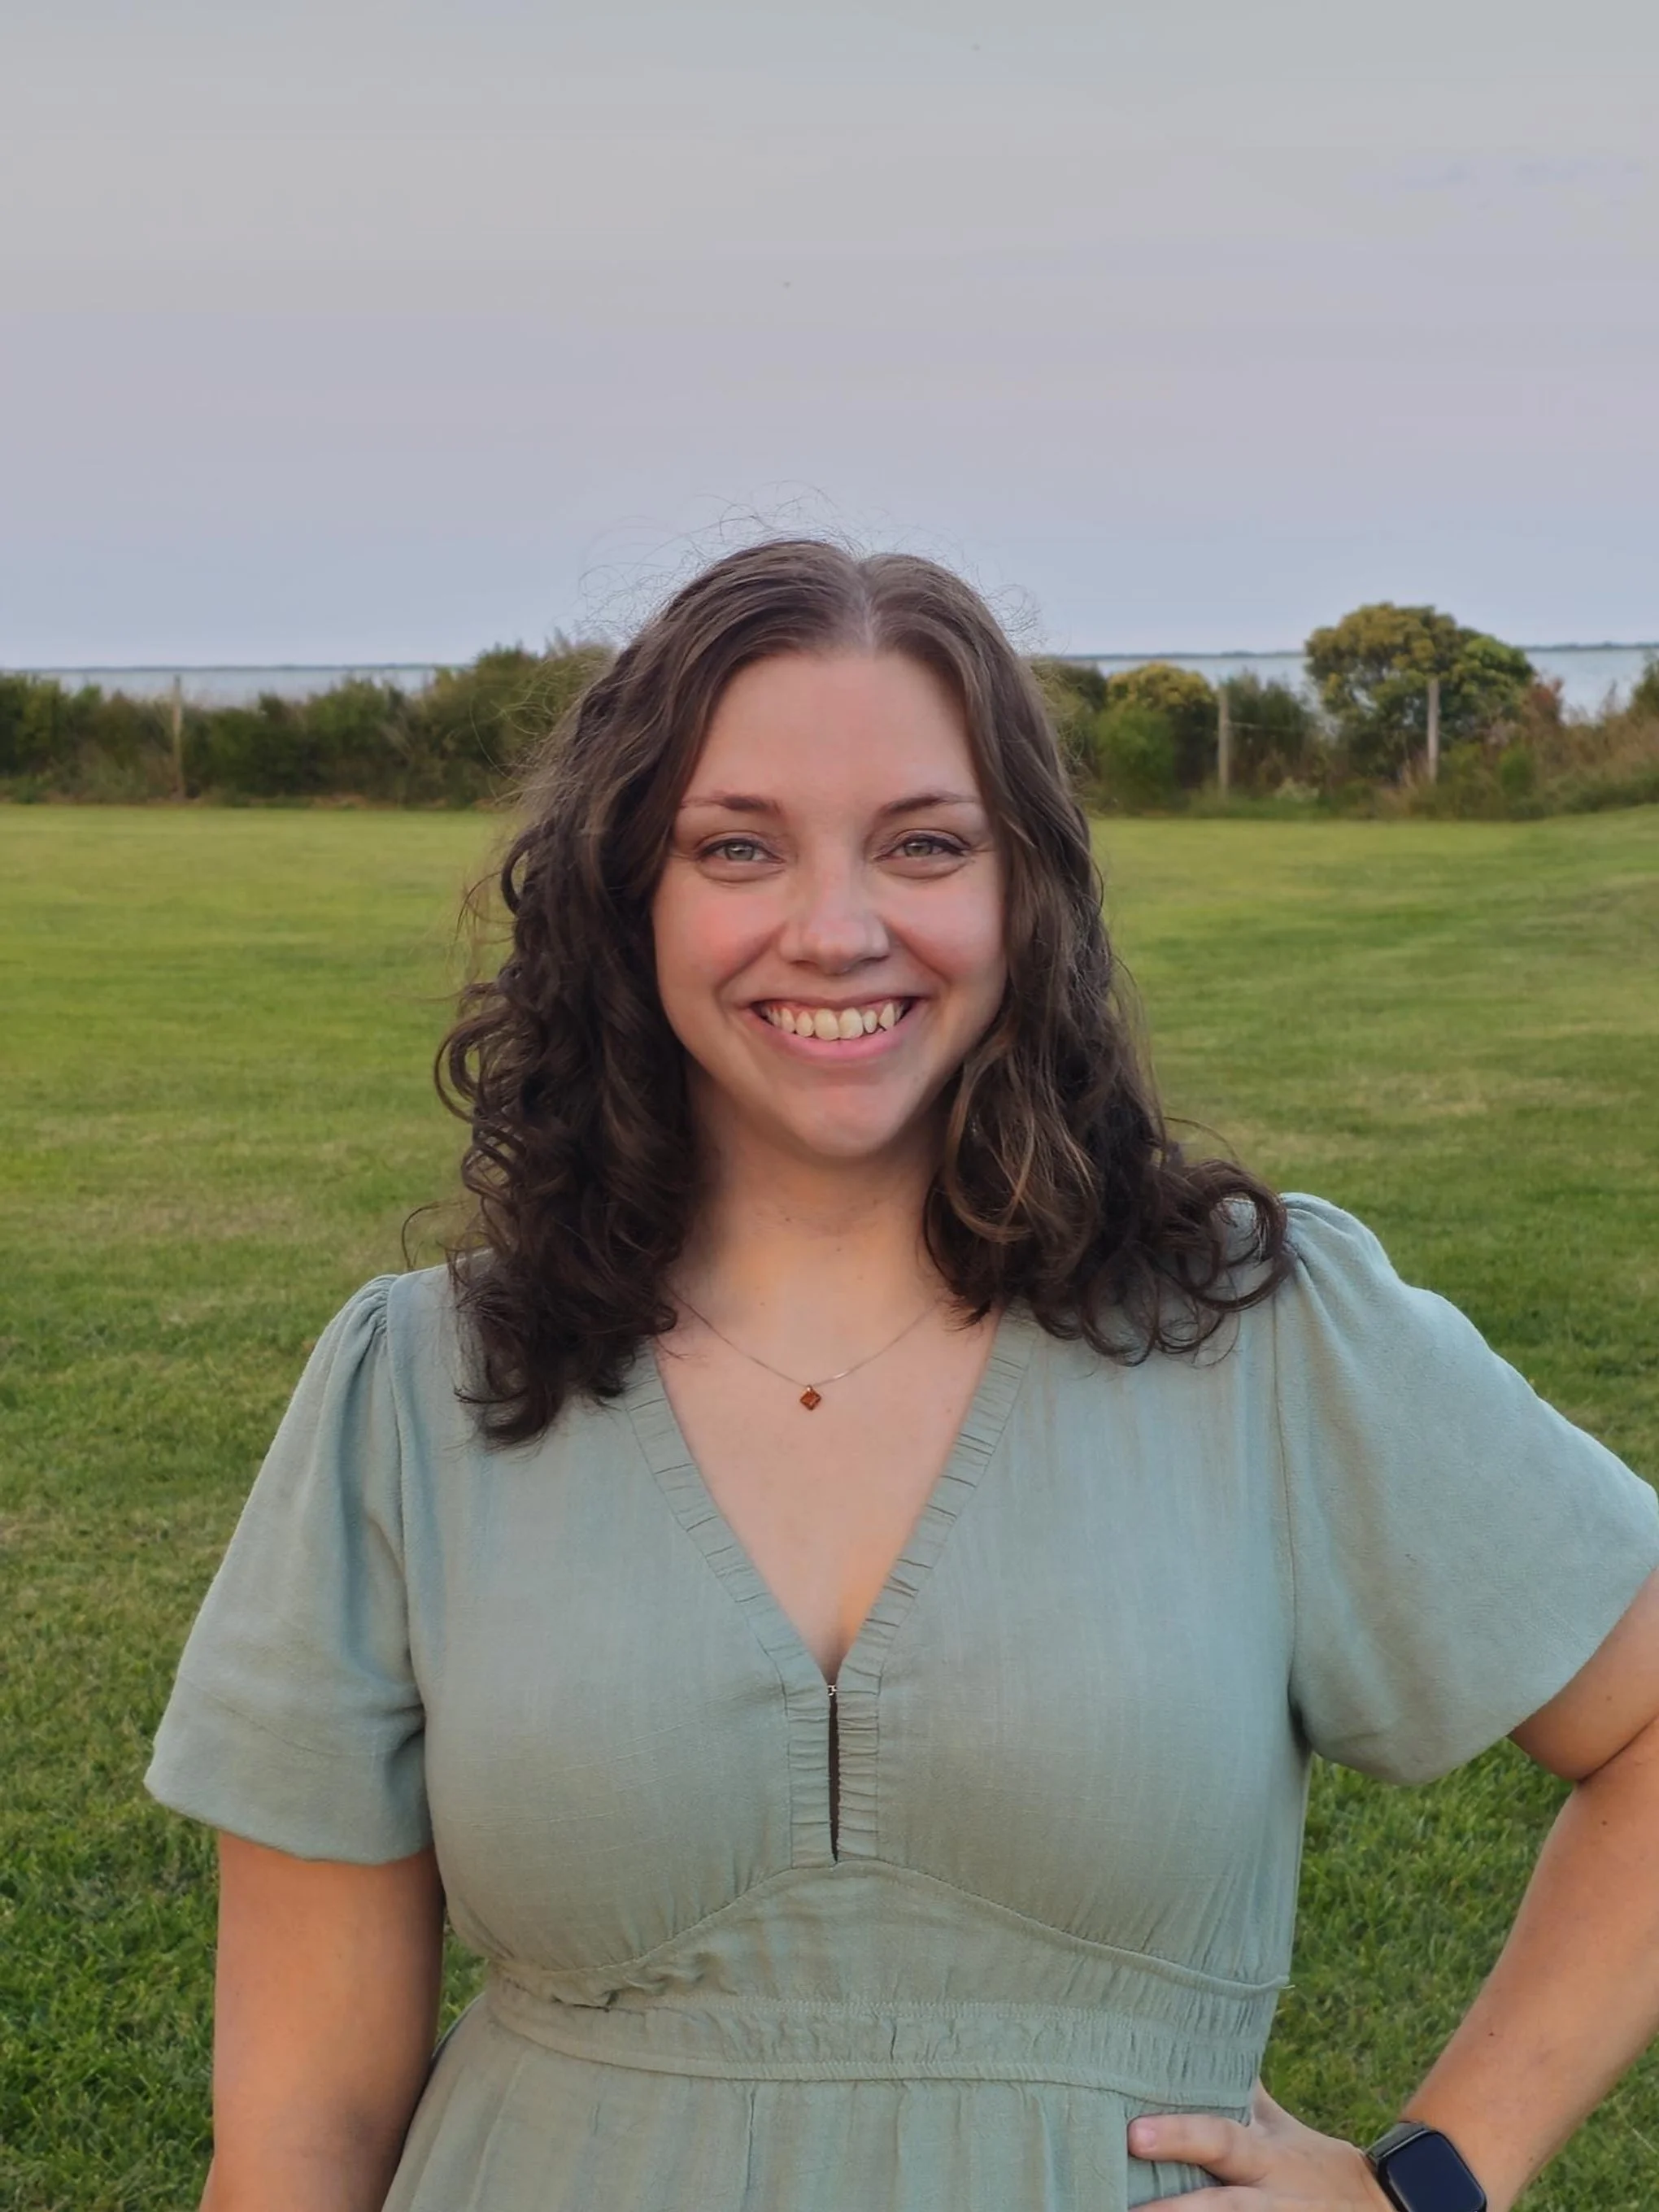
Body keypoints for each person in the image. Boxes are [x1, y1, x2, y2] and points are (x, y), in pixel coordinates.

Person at [147, 540, 1659, 2212]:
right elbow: (301, 2133)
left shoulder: (1259, 1338)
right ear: (626, 890)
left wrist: (1429, 2185)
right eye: (740, 847)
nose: (840, 927)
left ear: (1025, 892)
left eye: (925, 845)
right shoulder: (414, 1389)